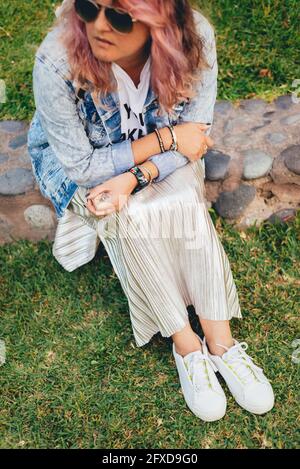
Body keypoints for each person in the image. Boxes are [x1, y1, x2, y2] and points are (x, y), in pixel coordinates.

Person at [27, 0, 274, 422]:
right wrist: (163, 142)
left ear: (161, 19)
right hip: (82, 165)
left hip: (160, 157)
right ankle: (186, 345)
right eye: (89, 6)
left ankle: (221, 341)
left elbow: (196, 136)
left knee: (180, 201)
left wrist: (136, 175)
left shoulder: (195, 39)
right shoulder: (56, 59)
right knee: (122, 213)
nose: (99, 26)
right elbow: (84, 167)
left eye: (120, 15)